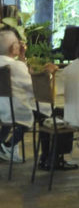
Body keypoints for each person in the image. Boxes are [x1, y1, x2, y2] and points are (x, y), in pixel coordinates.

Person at [0, 29, 35, 163]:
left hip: (2, 108)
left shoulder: (13, 64)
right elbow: (32, 89)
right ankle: (9, 146)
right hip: (15, 110)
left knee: (7, 121)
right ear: (12, 47)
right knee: (36, 116)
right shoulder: (16, 66)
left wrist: (21, 58)